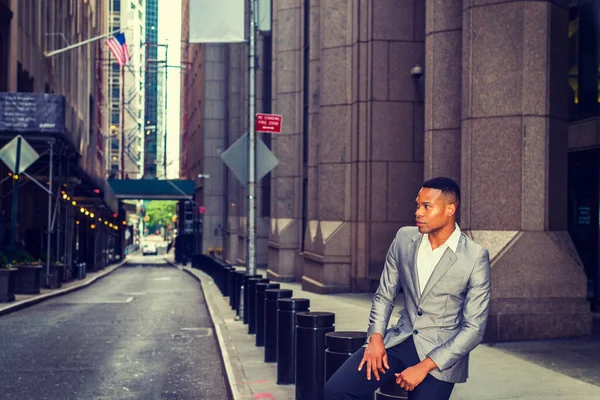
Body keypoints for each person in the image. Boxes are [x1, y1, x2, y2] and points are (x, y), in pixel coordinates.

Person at [324, 177, 491, 400]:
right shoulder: (404, 238)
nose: (418, 213)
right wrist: (375, 337)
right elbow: (384, 295)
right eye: (417, 205)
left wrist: (423, 367)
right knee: (336, 390)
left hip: (440, 355)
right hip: (400, 339)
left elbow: (474, 329)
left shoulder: (474, 257)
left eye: (426, 206)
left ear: (450, 209)